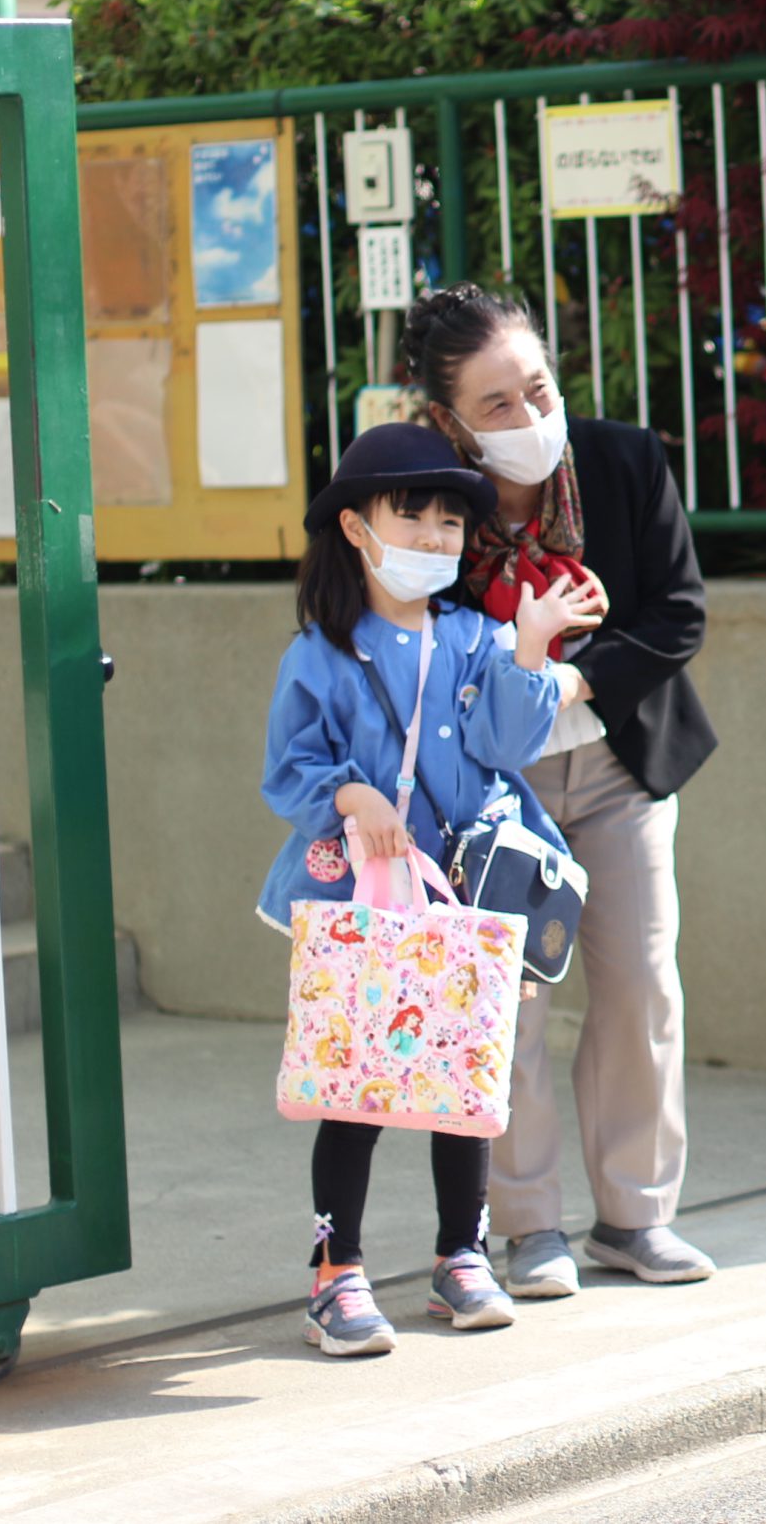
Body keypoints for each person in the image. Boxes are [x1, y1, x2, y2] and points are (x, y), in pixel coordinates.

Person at [403, 282, 722, 1295]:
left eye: (537, 391)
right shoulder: (423, 497)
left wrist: (573, 675)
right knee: (510, 1002)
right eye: (497, 407)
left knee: (640, 985)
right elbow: (407, 635)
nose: (530, 421)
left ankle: (635, 1217)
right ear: (446, 421)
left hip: (622, 766)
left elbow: (677, 614)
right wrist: (516, 665)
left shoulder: (624, 461)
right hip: (494, 783)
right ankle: (525, 1225)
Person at [258, 419, 598, 1356]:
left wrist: (530, 649)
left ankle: (462, 1253)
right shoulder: (319, 652)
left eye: (451, 521)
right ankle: (338, 1270)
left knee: (462, 1081)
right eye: (411, 516)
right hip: (366, 903)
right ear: (356, 530)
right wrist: (349, 790)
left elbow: (503, 746)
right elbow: (287, 772)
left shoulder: (478, 635)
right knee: (356, 1086)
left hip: (464, 898)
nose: (436, 537)